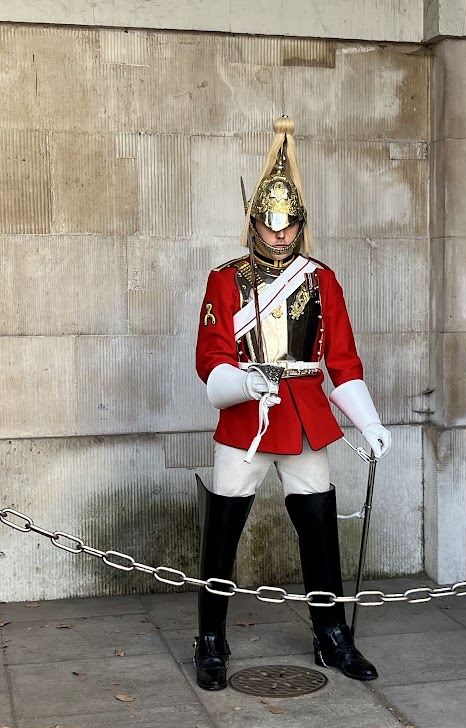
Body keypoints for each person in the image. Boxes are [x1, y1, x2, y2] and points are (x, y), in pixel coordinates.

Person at [194, 116, 391, 691]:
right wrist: (242, 382)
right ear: (253, 221)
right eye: (270, 224)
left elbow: (343, 363)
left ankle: (331, 633)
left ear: (300, 225)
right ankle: (210, 637)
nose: (280, 235)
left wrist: (371, 422)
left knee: (320, 527)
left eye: (289, 225)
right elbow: (210, 361)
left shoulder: (322, 280)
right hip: (247, 421)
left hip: (305, 417)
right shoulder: (225, 280)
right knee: (224, 528)